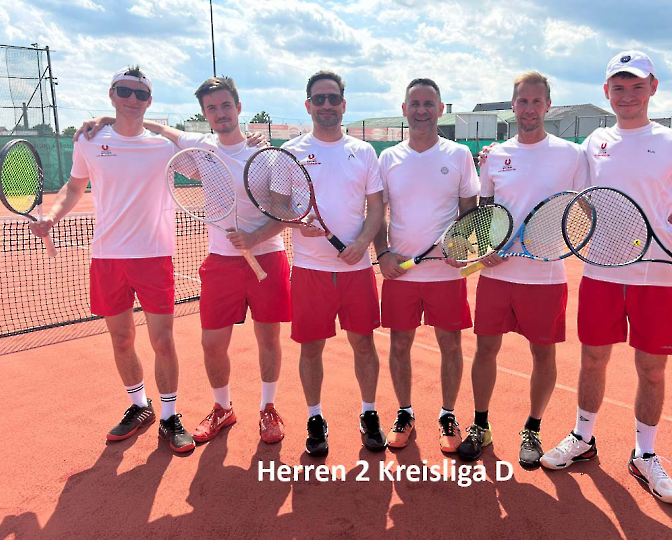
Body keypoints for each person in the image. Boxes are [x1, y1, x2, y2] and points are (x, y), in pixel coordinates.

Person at [540, 51, 672, 505]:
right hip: (601, 273)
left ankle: (645, 454)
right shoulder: (593, 143)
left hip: (658, 278)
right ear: (606, 92)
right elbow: (576, 193)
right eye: (618, 88)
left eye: (636, 86)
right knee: (592, 361)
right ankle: (583, 438)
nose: (627, 95)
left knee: (652, 370)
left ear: (653, 88)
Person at [75, 77, 286, 445]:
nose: (220, 113)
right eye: (211, 109)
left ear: (238, 107)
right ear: (205, 115)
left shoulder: (264, 154)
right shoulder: (201, 146)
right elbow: (157, 127)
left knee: (268, 337)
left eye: (225, 106)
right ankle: (223, 408)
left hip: (267, 258)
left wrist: (254, 237)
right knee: (211, 344)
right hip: (221, 262)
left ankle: (268, 408)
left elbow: (284, 211)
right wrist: (108, 121)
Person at [30, 66, 195, 452]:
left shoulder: (166, 146)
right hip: (107, 257)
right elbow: (73, 187)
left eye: (140, 94)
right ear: (111, 93)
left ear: (149, 101)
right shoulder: (89, 142)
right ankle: (140, 406)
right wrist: (52, 217)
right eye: (124, 91)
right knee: (121, 339)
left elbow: (208, 149)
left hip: (154, 256)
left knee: (163, 341)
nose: (132, 99)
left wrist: (128, 121)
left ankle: (170, 416)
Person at [454, 72, 588, 466]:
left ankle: (532, 430)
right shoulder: (495, 156)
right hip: (496, 275)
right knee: (485, 351)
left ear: (548, 105)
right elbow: (485, 212)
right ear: (513, 106)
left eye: (536, 101)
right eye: (522, 101)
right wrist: (484, 246)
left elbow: (589, 204)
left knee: (543, 356)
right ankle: (480, 425)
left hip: (545, 276)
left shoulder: (571, 154)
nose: (529, 109)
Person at [281, 70, 386, 456]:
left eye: (333, 99)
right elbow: (277, 204)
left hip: (356, 270)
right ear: (308, 105)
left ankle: (370, 412)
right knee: (311, 349)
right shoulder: (290, 151)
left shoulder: (363, 152)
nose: (326, 105)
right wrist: (295, 220)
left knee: (363, 344)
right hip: (310, 271)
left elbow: (376, 208)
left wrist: (362, 243)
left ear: (343, 104)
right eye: (319, 99)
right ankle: (314, 417)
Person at [373, 78, 479, 452]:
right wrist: (383, 253)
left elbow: (470, 211)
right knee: (399, 345)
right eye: (414, 103)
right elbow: (377, 214)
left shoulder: (459, 155)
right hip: (401, 273)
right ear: (405, 109)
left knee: (450, 345)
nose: (421, 110)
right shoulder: (387, 158)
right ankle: (405, 412)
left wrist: (463, 246)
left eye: (428, 104)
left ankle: (447, 414)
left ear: (440, 109)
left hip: (445, 275)